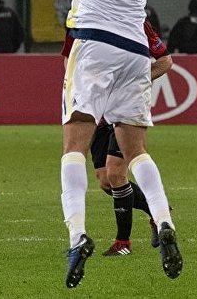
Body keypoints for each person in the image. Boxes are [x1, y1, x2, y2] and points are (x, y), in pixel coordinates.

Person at [41, 0, 189, 288]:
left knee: (74, 146)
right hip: (136, 50)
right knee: (136, 151)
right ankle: (163, 221)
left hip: (93, 44)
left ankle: (77, 236)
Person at [62, 19, 172, 256]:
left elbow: (165, 60)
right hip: (95, 114)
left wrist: (135, 82)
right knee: (104, 180)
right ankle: (155, 211)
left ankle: (123, 242)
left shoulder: (135, 20)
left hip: (123, 111)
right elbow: (69, 60)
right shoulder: (78, 19)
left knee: (116, 173)